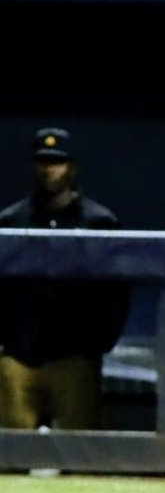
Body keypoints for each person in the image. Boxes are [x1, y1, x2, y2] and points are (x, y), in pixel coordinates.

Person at [0, 128, 130, 430]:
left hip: (74, 357)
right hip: (18, 355)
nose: (50, 169)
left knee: (81, 450)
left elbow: (116, 292)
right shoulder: (10, 221)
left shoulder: (99, 222)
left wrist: (99, 343)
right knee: (11, 453)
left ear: (71, 166)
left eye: (57, 162)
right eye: (43, 162)